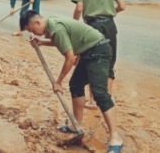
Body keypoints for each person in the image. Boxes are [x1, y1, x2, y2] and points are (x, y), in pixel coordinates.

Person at [20, 11, 124, 153]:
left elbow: (69, 58)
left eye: (33, 30)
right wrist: (42, 42)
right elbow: (63, 41)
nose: (35, 34)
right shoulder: (52, 22)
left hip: (98, 51)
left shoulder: (56, 28)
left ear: (37, 22)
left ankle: (115, 137)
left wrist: (58, 82)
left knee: (100, 94)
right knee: (75, 84)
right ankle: (77, 125)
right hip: (89, 51)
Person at [72, 0, 126, 110]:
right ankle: (106, 100)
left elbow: (79, 8)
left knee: (91, 61)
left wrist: (74, 23)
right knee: (109, 61)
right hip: (109, 25)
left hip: (92, 26)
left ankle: (93, 101)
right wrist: (110, 12)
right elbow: (122, 6)